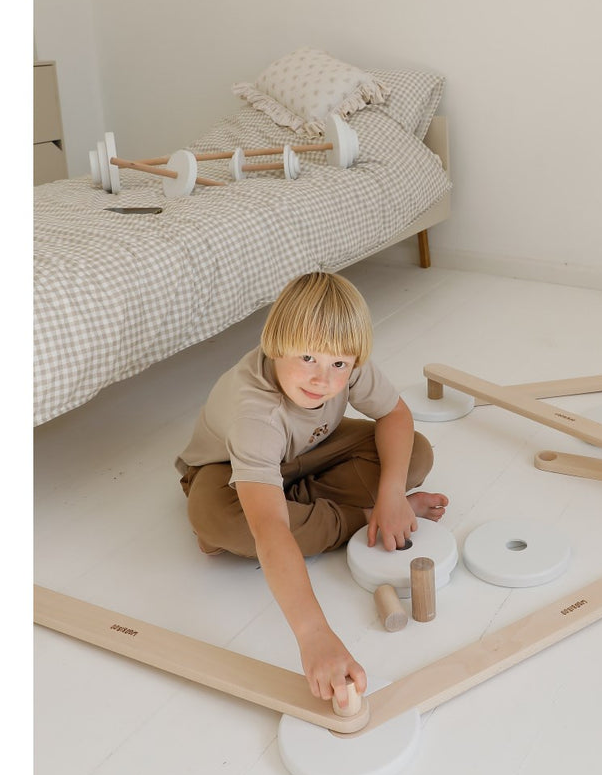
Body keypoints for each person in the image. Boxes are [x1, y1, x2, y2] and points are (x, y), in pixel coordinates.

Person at [175, 271, 448, 709]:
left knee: (414, 454)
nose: (323, 379)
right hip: (227, 469)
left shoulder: (344, 364)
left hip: (310, 450)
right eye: (307, 358)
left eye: (339, 365)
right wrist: (315, 636)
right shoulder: (256, 415)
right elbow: (270, 530)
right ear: (275, 345)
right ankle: (355, 516)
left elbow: (395, 415)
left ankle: (306, 505)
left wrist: (393, 493)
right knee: (223, 521)